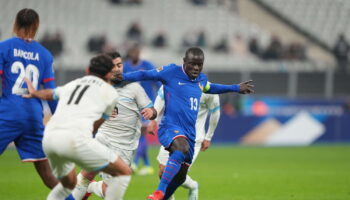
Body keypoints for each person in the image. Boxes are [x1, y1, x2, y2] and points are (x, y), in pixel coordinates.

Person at [121, 47, 254, 200]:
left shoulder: (201, 80)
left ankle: (163, 196)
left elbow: (211, 88)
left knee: (179, 177)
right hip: (170, 128)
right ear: (184, 62)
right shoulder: (171, 71)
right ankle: (159, 190)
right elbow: (145, 74)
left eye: (200, 64)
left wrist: (236, 88)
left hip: (191, 134)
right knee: (175, 154)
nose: (196, 68)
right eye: (192, 64)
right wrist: (122, 77)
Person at [23, 54, 132, 200]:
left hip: (49, 138)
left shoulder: (74, 84)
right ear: (108, 74)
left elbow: (50, 93)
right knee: (123, 171)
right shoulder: (110, 93)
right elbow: (95, 127)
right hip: (74, 139)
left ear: (87, 69)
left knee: (68, 184)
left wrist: (35, 92)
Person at [71, 51, 157, 200]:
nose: (117, 69)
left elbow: (153, 109)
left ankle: (92, 187)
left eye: (120, 65)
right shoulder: (98, 88)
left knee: (109, 190)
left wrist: (151, 112)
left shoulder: (134, 88)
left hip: (124, 146)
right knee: (87, 173)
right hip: (103, 137)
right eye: (113, 66)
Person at [0, 8, 61, 193]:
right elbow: (51, 92)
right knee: (47, 175)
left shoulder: (4, 47)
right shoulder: (44, 54)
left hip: (8, 112)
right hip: (34, 116)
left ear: (16, 24)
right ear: (36, 26)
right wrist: (60, 118)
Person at [150, 86, 221, 200]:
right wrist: (154, 119)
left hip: (193, 139)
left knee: (178, 174)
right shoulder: (172, 81)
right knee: (162, 171)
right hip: (172, 133)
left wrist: (208, 136)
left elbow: (215, 113)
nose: (194, 68)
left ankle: (193, 186)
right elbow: (160, 97)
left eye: (197, 66)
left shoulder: (209, 90)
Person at [124, 45, 161, 175]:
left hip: (147, 104)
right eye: (132, 52)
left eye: (136, 52)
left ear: (139, 53)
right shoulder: (125, 66)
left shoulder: (147, 65)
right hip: (131, 106)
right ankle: (147, 165)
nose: (135, 54)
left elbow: (158, 83)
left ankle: (134, 163)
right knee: (137, 134)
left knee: (143, 132)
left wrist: (159, 100)